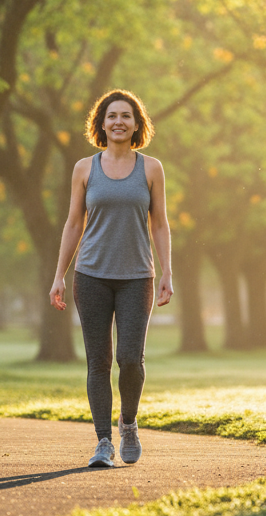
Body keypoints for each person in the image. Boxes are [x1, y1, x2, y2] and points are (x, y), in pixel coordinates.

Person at [49, 89, 173, 467]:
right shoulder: (84, 169)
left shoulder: (151, 168)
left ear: (137, 125)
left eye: (126, 116)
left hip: (137, 276)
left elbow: (160, 223)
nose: (119, 121)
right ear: (101, 124)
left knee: (130, 359)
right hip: (92, 276)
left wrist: (168, 271)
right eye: (111, 116)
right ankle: (103, 441)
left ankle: (129, 424)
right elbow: (73, 223)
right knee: (98, 362)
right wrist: (59, 275)